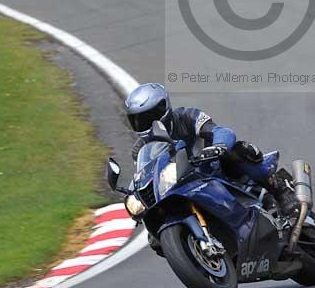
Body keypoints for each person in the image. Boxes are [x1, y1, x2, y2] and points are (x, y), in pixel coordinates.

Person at [125, 82, 298, 217]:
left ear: (163, 108)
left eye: (147, 118)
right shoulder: (140, 149)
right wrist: (134, 194)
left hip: (212, 171)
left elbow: (220, 131)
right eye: (137, 120)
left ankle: (281, 191)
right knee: (154, 235)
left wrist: (218, 146)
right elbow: (144, 175)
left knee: (238, 151)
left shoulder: (186, 117)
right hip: (178, 189)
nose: (143, 125)